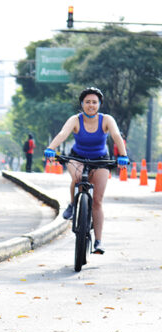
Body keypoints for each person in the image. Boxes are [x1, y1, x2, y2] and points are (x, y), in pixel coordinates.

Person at [44, 87, 128, 254]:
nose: (91, 105)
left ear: (99, 104)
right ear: (82, 104)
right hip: (78, 157)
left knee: (97, 200)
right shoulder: (75, 119)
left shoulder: (106, 119)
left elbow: (116, 135)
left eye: (94, 102)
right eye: (87, 102)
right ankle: (73, 203)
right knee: (77, 178)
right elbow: (62, 134)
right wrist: (51, 148)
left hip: (101, 160)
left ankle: (98, 241)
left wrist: (123, 156)